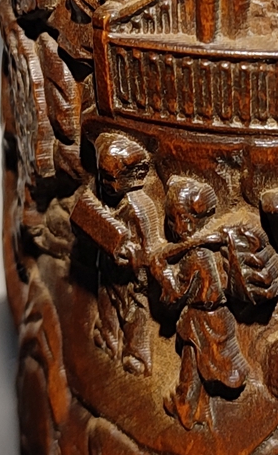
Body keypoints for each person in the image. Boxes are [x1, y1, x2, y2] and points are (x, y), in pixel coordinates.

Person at [155, 177, 248, 430]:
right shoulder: (204, 249)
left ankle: (185, 406)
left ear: (187, 220)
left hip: (202, 318)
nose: (175, 227)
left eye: (177, 219)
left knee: (192, 364)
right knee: (200, 365)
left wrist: (162, 275)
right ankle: (200, 407)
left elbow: (176, 294)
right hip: (216, 317)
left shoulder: (194, 256)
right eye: (171, 221)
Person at [71, 131, 161, 375]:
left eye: (112, 179)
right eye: (103, 176)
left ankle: (136, 355)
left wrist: (132, 255)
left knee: (134, 315)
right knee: (106, 304)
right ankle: (108, 337)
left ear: (134, 176)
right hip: (108, 268)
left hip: (131, 280)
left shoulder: (139, 209)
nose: (107, 184)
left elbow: (150, 250)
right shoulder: (102, 192)